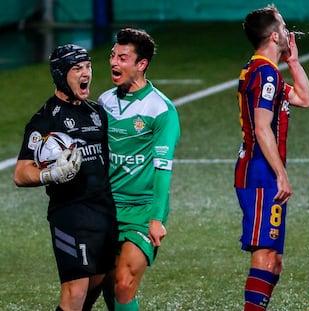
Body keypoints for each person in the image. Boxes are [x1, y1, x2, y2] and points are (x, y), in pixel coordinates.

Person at [13, 44, 118, 311]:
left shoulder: (96, 113)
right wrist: (52, 173)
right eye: (77, 68)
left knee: (102, 281)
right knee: (75, 292)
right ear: (61, 74)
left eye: (88, 66)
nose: (86, 74)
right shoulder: (45, 119)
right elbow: (21, 173)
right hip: (71, 215)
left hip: (104, 211)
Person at [234, 4, 309, 310]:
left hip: (265, 171)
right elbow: (262, 128)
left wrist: (293, 61)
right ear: (274, 35)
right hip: (260, 173)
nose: (288, 31)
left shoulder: (268, 73)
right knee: (265, 256)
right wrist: (281, 174)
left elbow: (306, 99)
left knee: (274, 261)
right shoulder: (265, 75)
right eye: (283, 26)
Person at [98, 28, 180, 311]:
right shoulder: (104, 102)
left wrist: (157, 218)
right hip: (107, 208)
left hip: (142, 212)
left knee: (124, 281)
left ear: (141, 64)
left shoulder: (160, 109)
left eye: (122, 57)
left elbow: (163, 168)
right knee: (108, 283)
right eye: (112, 56)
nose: (113, 63)